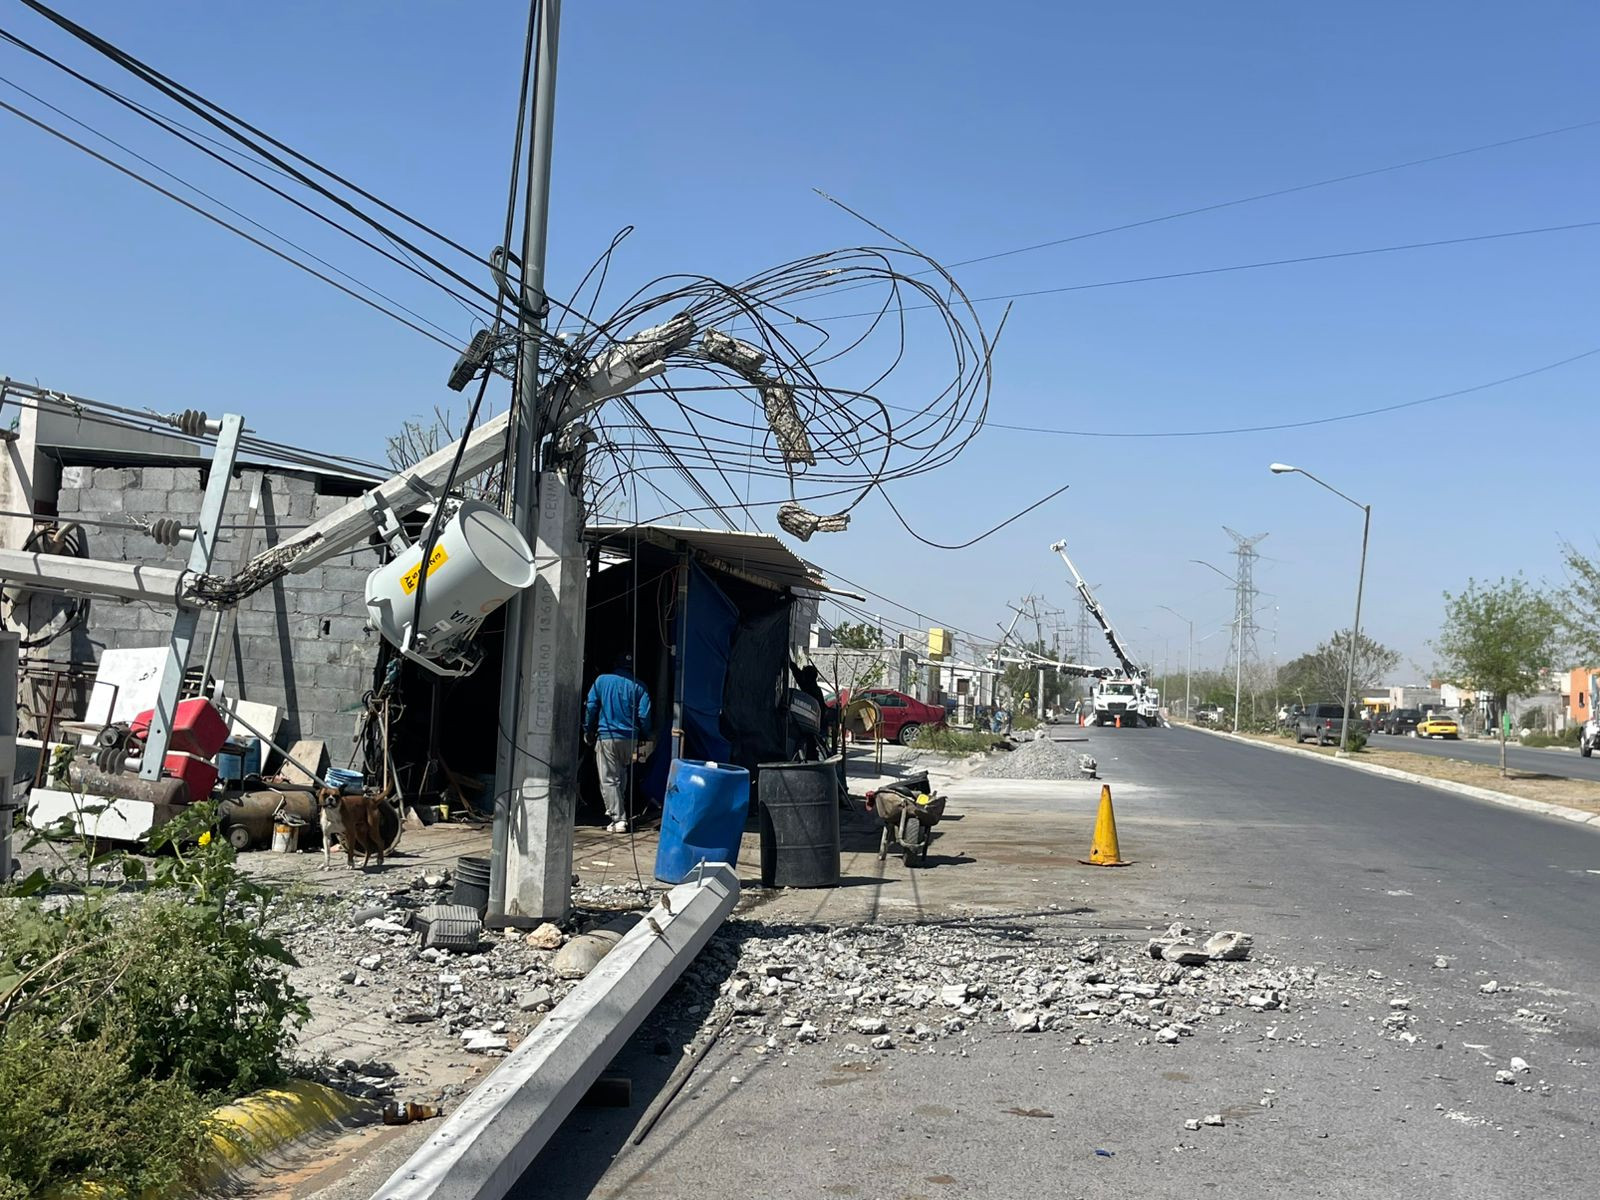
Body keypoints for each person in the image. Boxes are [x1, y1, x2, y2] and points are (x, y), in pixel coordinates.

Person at [584, 653, 654, 833]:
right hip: (631, 740)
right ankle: (618, 813)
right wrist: (645, 735)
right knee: (622, 774)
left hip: (607, 738)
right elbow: (644, 715)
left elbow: (591, 707)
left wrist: (588, 730)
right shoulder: (640, 686)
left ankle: (618, 819)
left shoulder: (601, 681)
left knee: (608, 779)